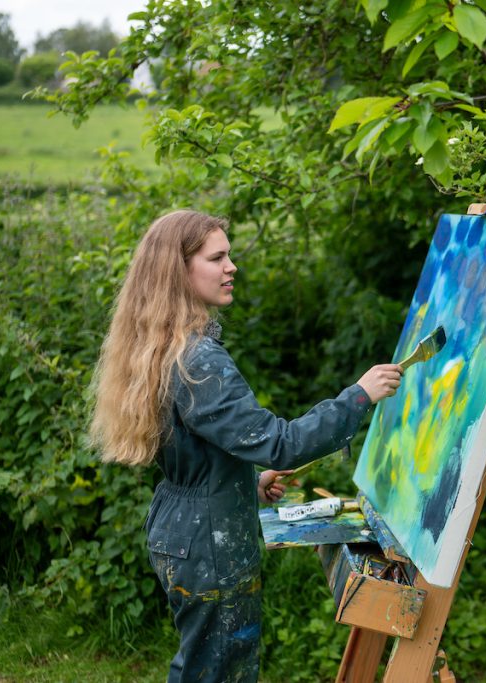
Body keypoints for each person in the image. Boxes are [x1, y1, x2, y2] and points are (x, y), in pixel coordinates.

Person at [89, 210, 401, 682]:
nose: (231, 266)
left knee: (204, 666)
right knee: (215, 672)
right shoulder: (198, 359)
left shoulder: (167, 345)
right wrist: (358, 396)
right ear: (179, 270)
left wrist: (245, 482)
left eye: (229, 255)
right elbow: (280, 444)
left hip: (185, 529)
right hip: (208, 545)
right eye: (217, 258)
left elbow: (193, 448)